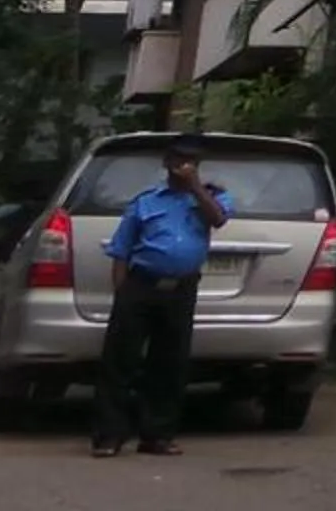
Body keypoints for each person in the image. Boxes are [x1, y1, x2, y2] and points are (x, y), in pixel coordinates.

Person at [92, 137, 235, 458]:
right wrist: (122, 292)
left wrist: (196, 187)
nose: (184, 165)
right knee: (121, 361)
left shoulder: (211, 197)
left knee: (170, 363)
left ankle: (157, 435)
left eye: (191, 161)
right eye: (178, 159)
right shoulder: (145, 202)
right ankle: (109, 435)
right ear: (166, 163)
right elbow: (121, 249)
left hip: (181, 289)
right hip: (141, 285)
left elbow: (218, 219)